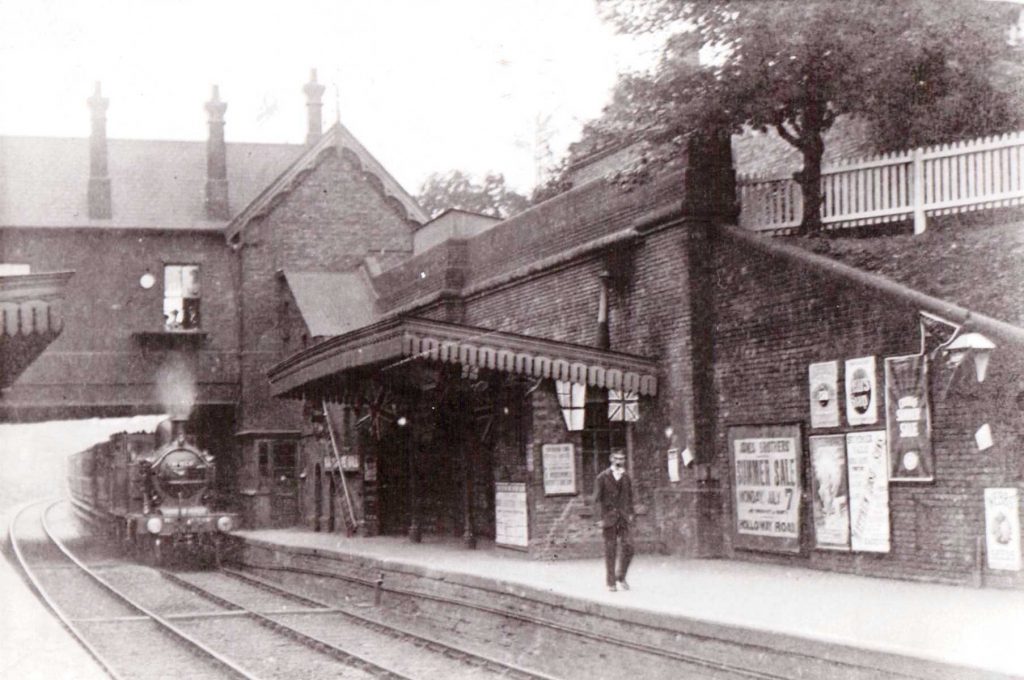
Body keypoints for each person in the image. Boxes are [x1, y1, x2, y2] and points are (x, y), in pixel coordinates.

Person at [592, 449, 634, 592]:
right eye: (616, 458)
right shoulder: (602, 477)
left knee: (628, 546)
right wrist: (599, 519)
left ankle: (621, 576)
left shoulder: (626, 477)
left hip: (623, 518)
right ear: (611, 458)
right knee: (610, 549)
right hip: (608, 518)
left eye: (622, 459)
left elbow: (630, 498)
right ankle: (611, 582)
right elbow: (596, 500)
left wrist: (631, 513)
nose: (619, 461)